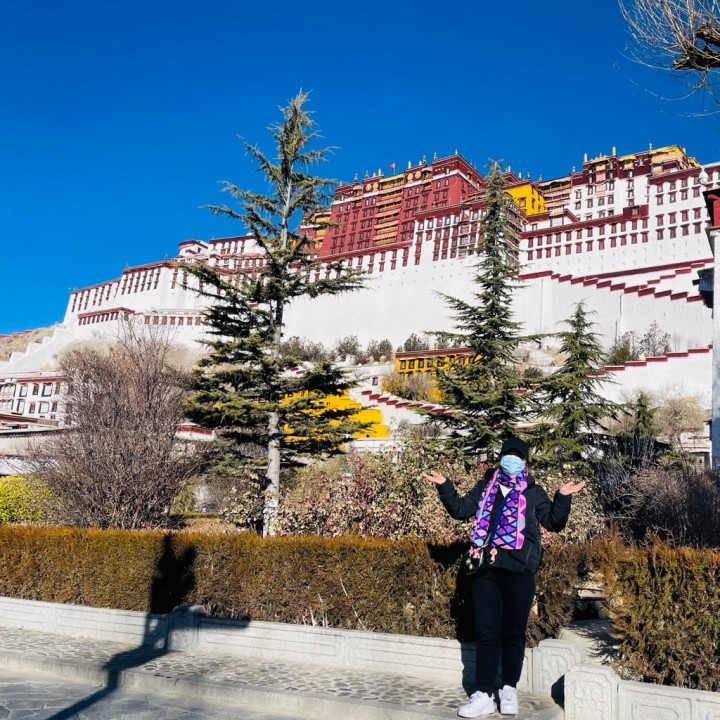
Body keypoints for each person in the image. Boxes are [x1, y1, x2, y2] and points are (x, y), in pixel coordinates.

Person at [422, 437, 585, 718]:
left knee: (513, 632)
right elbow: (461, 510)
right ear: (500, 458)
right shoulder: (486, 486)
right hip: (486, 571)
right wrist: (445, 486)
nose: (512, 459)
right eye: (508, 454)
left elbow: (553, 523)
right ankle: (483, 694)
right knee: (486, 633)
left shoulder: (533, 491)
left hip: (520, 572)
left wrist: (562, 497)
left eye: (517, 455)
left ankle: (509, 689)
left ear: (525, 461)